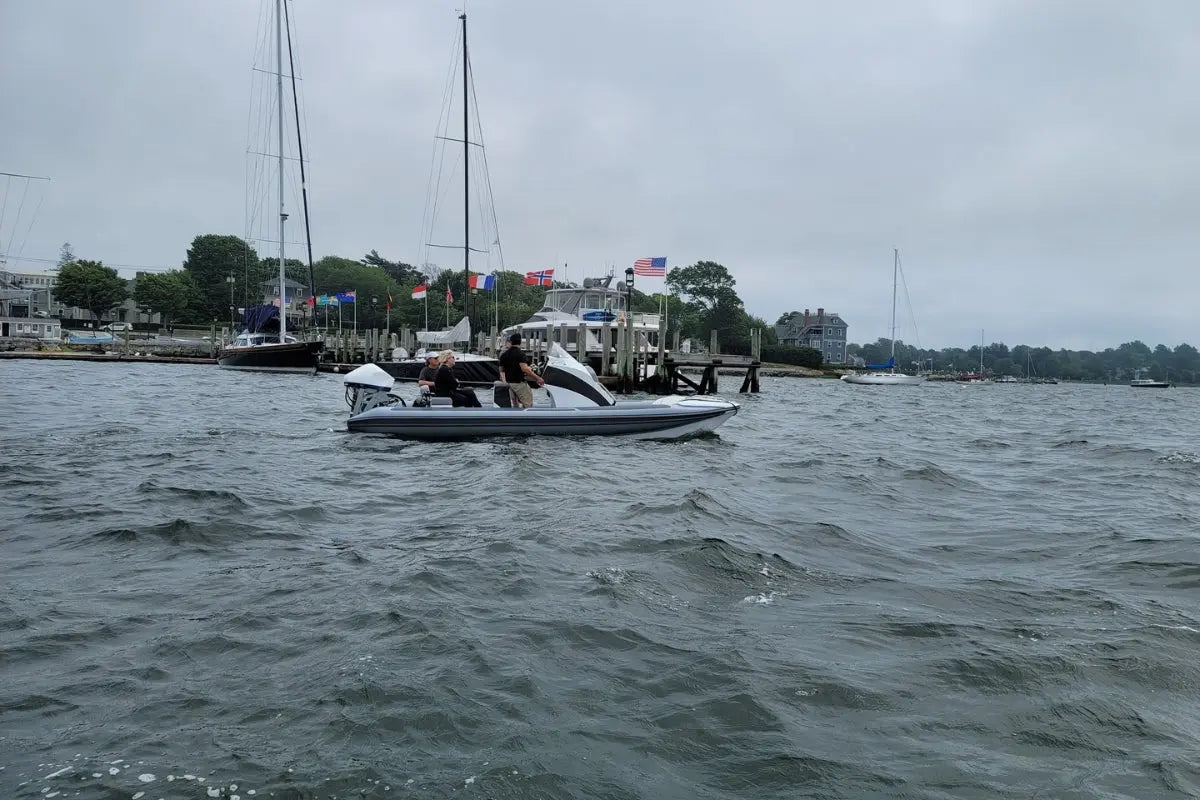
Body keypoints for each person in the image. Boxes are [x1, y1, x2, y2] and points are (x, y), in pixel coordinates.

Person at [498, 332, 544, 408]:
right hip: (519, 383)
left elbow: (501, 370)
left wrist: (504, 381)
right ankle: (527, 418)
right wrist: (538, 378)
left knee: (514, 404)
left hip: (508, 383)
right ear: (520, 342)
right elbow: (525, 369)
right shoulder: (520, 354)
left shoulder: (504, 354)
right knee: (528, 404)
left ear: (511, 342)